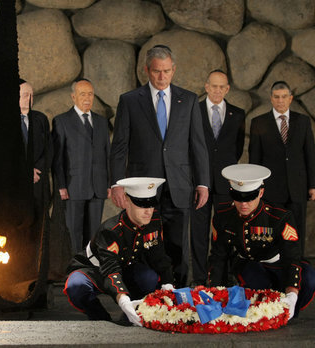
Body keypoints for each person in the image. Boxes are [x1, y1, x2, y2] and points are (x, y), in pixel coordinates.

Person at [110, 45, 210, 287]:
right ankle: (146, 299)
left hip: (179, 186)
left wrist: (203, 183)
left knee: (178, 247)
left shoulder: (188, 100)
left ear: (173, 70)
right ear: (146, 70)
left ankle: (179, 299)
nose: (162, 77)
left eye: (166, 71)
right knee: (143, 246)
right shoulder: (130, 101)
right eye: (156, 71)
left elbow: (198, 145)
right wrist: (115, 184)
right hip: (142, 190)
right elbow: (119, 147)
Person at [207, 164, 315, 319]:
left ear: (261, 192)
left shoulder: (280, 217)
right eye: (238, 198)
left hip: (279, 264)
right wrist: (213, 292)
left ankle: (289, 311)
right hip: (249, 265)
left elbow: (292, 257)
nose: (243, 204)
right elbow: (218, 256)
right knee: (256, 294)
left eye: (249, 197)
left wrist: (292, 294)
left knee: (308, 279)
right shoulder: (223, 215)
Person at [64, 177, 174, 326]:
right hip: (93, 269)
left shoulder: (153, 221)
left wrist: (168, 284)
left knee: (150, 278)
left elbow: (159, 257)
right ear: (127, 201)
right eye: (141, 205)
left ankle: (130, 315)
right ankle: (102, 320)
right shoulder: (110, 230)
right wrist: (122, 300)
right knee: (76, 287)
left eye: (151, 205)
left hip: (125, 266)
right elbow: (110, 270)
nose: (148, 211)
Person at [249, 81, 315, 255]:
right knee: (271, 231)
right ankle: (274, 268)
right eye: (277, 97)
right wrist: (256, 188)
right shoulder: (259, 122)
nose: (280, 101)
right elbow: (254, 160)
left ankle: (296, 268)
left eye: (284, 97)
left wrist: (313, 185)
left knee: (297, 230)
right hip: (271, 189)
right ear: (271, 99)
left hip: (297, 187)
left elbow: (309, 156)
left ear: (290, 99)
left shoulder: (303, 121)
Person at [190, 69, 245, 286]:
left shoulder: (238, 114)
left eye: (222, 86)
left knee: (224, 233)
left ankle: (221, 278)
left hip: (225, 183)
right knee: (199, 234)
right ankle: (200, 278)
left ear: (228, 89)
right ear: (206, 86)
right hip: (199, 183)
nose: (217, 90)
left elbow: (237, 149)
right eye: (214, 86)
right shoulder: (194, 111)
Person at [52, 78, 110, 254]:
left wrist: (109, 184)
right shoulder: (61, 121)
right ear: (73, 97)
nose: (87, 98)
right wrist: (61, 185)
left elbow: (107, 154)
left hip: (98, 186)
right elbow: (58, 158)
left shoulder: (101, 122)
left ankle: (91, 271)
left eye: (90, 94)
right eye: (82, 94)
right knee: (74, 234)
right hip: (73, 186)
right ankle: (76, 271)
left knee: (94, 234)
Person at [19, 79, 52, 223]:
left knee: (40, 224)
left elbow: (49, 148)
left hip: (39, 182)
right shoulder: (2, 121)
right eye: (26, 95)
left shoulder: (41, 119)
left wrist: (37, 169)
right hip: (15, 184)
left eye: (32, 95)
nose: (30, 99)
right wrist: (26, 171)